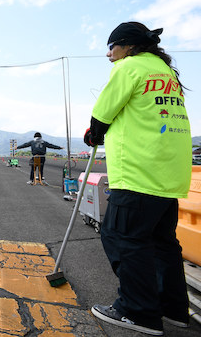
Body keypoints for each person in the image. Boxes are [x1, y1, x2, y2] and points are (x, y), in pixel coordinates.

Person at [84, 22, 192, 335]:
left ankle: (138, 311)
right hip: (168, 174)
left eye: (112, 47)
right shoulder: (165, 72)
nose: (108, 54)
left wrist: (94, 134)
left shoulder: (129, 67)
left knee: (121, 237)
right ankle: (173, 309)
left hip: (138, 171)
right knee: (161, 244)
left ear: (128, 46)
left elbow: (101, 115)